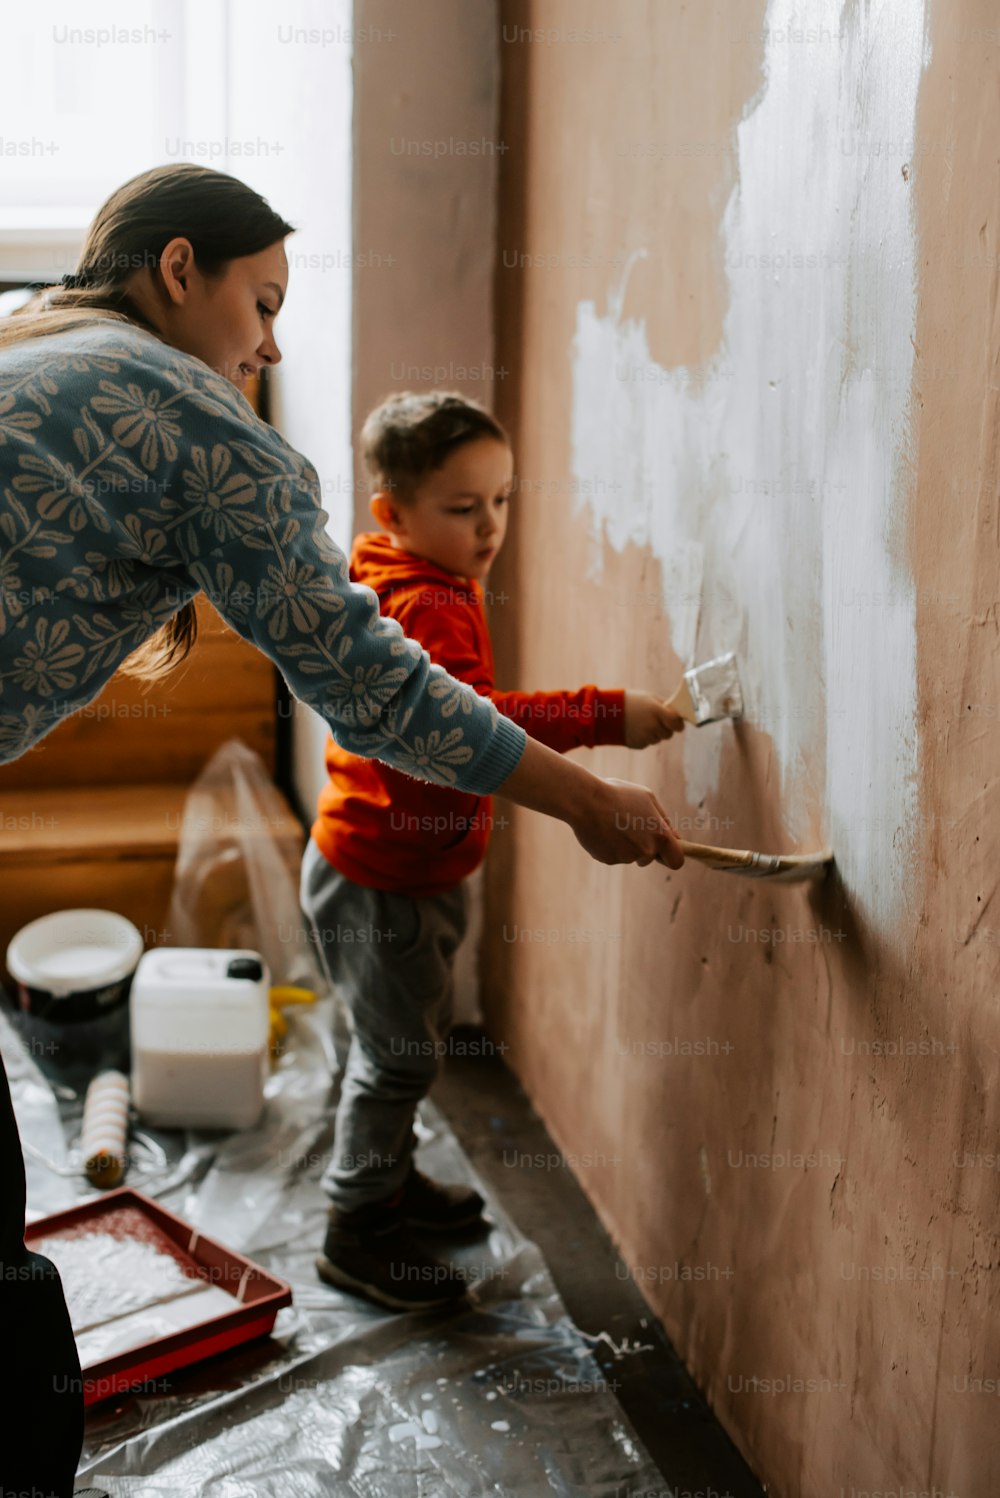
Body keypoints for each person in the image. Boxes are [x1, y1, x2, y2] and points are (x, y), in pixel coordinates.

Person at [0, 163, 683, 1493]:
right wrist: (584, 789)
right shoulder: (196, 422)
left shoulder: (42, 342)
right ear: (176, 269)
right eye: (260, 302)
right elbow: (382, 690)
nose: (268, 345)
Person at [301, 391, 686, 1311]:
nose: (491, 528)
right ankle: (357, 1226)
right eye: (464, 508)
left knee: (402, 1045)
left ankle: (386, 1180)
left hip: (402, 866)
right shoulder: (425, 601)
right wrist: (604, 715)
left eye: (503, 501)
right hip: (385, 878)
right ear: (395, 512)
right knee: (396, 1059)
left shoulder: (395, 565)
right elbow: (481, 725)